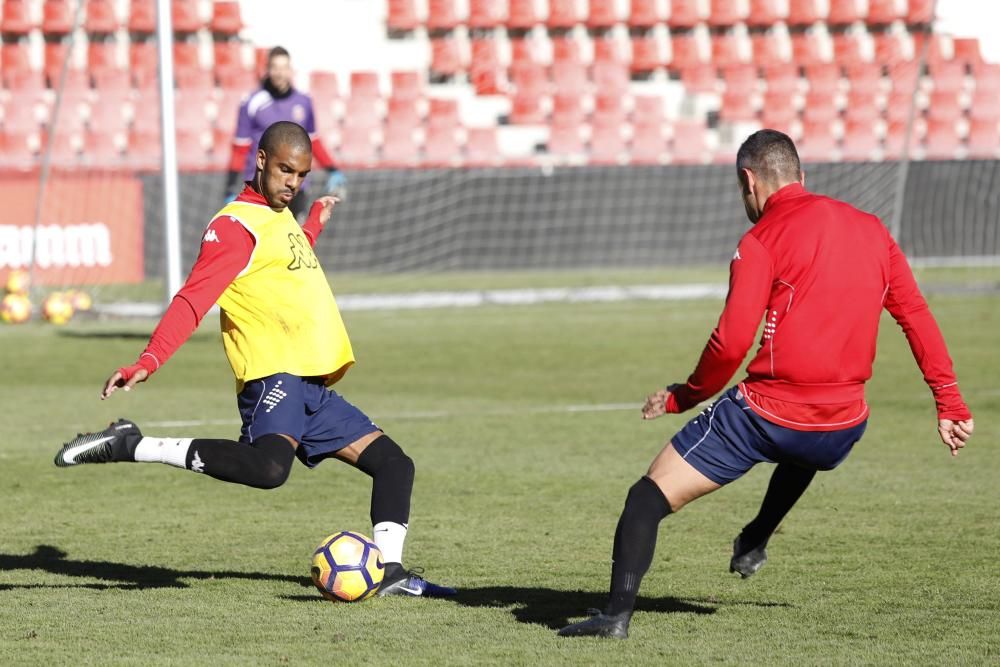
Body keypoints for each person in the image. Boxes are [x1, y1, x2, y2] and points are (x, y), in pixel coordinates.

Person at [558, 129, 975, 639]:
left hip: (765, 416)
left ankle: (615, 617)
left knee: (645, 498)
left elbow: (731, 345)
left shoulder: (762, 239)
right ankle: (754, 538)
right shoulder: (871, 228)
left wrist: (681, 396)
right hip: (843, 426)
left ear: (747, 180)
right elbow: (915, 314)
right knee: (803, 447)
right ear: (802, 177)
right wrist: (949, 402)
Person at [55, 121, 454, 598]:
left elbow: (281, 269)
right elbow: (192, 299)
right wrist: (150, 358)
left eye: (302, 175)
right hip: (272, 375)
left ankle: (389, 572)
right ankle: (132, 443)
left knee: (395, 465)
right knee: (269, 470)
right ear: (261, 160)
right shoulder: (233, 226)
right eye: (286, 170)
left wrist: (312, 227)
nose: (293, 183)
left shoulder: (279, 215)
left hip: (309, 384)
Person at [225, 46, 346, 218]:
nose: (280, 73)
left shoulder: (304, 101)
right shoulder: (251, 102)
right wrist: (230, 188)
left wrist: (332, 169)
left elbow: (312, 140)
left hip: (295, 186)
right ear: (267, 70)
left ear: (291, 70)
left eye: (284, 68)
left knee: (296, 240)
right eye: (275, 68)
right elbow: (240, 147)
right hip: (262, 186)